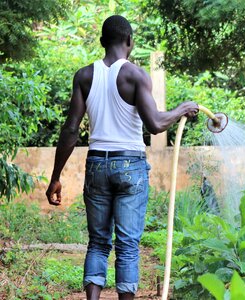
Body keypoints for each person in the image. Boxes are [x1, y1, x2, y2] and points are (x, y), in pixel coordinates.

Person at [45, 15, 198, 300]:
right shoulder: (135, 75)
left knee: (98, 243)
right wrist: (182, 109)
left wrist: (55, 177)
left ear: (103, 42)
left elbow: (70, 130)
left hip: (97, 165)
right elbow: (154, 123)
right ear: (130, 41)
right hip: (131, 165)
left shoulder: (84, 76)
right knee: (127, 245)